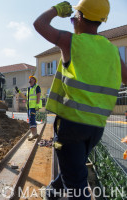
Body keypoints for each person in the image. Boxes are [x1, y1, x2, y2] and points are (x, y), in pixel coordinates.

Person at [33, 0, 127, 199]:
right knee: (73, 165)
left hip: (71, 127)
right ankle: (54, 190)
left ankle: (59, 190)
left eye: (74, 17)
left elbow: (39, 24)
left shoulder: (71, 42)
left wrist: (57, 10)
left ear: (80, 17)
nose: (72, 22)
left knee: (77, 187)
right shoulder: (111, 50)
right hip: (96, 129)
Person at [15, 75, 42, 141]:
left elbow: (38, 96)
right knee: (31, 119)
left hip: (33, 107)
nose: (30, 79)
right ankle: (34, 134)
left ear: (34, 80)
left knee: (31, 119)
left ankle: (34, 134)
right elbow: (25, 97)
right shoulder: (29, 88)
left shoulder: (37, 87)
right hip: (29, 107)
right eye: (30, 78)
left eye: (31, 78)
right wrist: (19, 92)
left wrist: (37, 105)